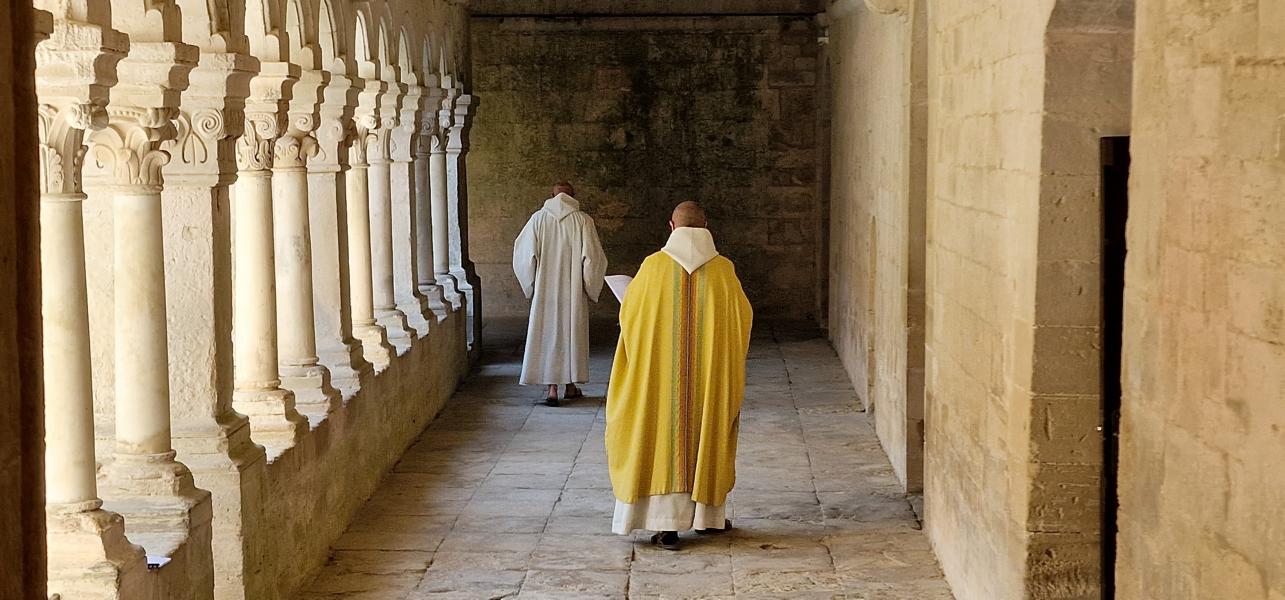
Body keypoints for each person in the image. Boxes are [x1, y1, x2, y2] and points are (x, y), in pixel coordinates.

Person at [605, 201, 753, 550]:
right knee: (706, 433)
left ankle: (666, 525)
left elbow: (631, 319)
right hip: (708, 382)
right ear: (707, 225)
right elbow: (741, 321)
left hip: (660, 382)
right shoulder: (723, 271)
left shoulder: (653, 268)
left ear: (671, 227)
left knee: (660, 437)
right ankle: (706, 519)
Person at [513, 181, 608, 406]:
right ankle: (570, 385)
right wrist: (589, 286)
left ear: (551, 195)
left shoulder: (538, 219)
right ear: (574, 196)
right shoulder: (583, 220)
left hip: (546, 290)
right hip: (572, 291)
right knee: (571, 334)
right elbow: (593, 258)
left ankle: (553, 389)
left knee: (547, 334)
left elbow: (523, 255)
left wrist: (531, 283)